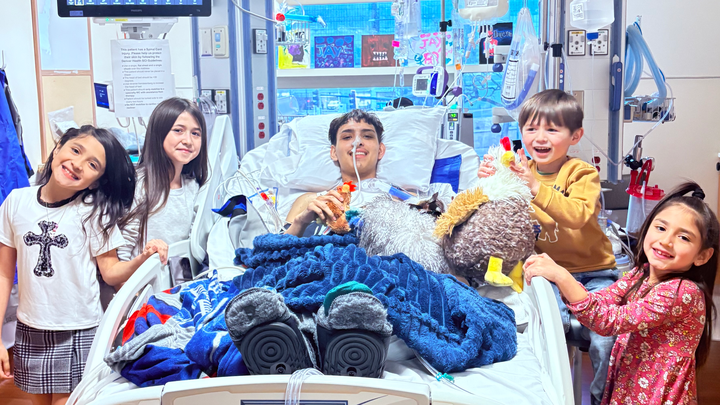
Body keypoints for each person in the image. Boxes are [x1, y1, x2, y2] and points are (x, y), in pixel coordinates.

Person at [0, 126, 162, 405]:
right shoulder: (16, 202)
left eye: (92, 165)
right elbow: (4, 274)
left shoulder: (93, 212)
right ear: (58, 148)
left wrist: (142, 258)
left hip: (78, 330)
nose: (77, 164)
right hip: (31, 327)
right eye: (75, 150)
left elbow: (111, 273)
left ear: (95, 182)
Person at [478, 89, 617, 405]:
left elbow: (577, 216)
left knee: (605, 338)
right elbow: (497, 214)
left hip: (594, 273)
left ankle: (603, 398)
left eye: (552, 129)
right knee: (547, 334)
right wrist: (490, 180)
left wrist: (534, 185)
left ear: (575, 136)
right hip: (547, 273)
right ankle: (554, 396)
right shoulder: (518, 170)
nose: (540, 137)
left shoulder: (581, 173)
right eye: (531, 128)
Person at [524, 181, 717, 404]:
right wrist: (561, 281)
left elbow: (607, 321)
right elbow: (601, 301)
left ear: (702, 256)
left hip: (656, 394)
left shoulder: (681, 292)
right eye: (661, 228)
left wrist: (562, 276)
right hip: (631, 384)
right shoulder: (641, 273)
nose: (666, 241)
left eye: (683, 237)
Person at [119, 98, 209, 267]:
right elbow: (122, 256)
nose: (188, 140)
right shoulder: (139, 186)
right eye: (178, 130)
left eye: (195, 133)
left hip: (177, 281)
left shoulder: (194, 187)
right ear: (159, 133)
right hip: (142, 280)